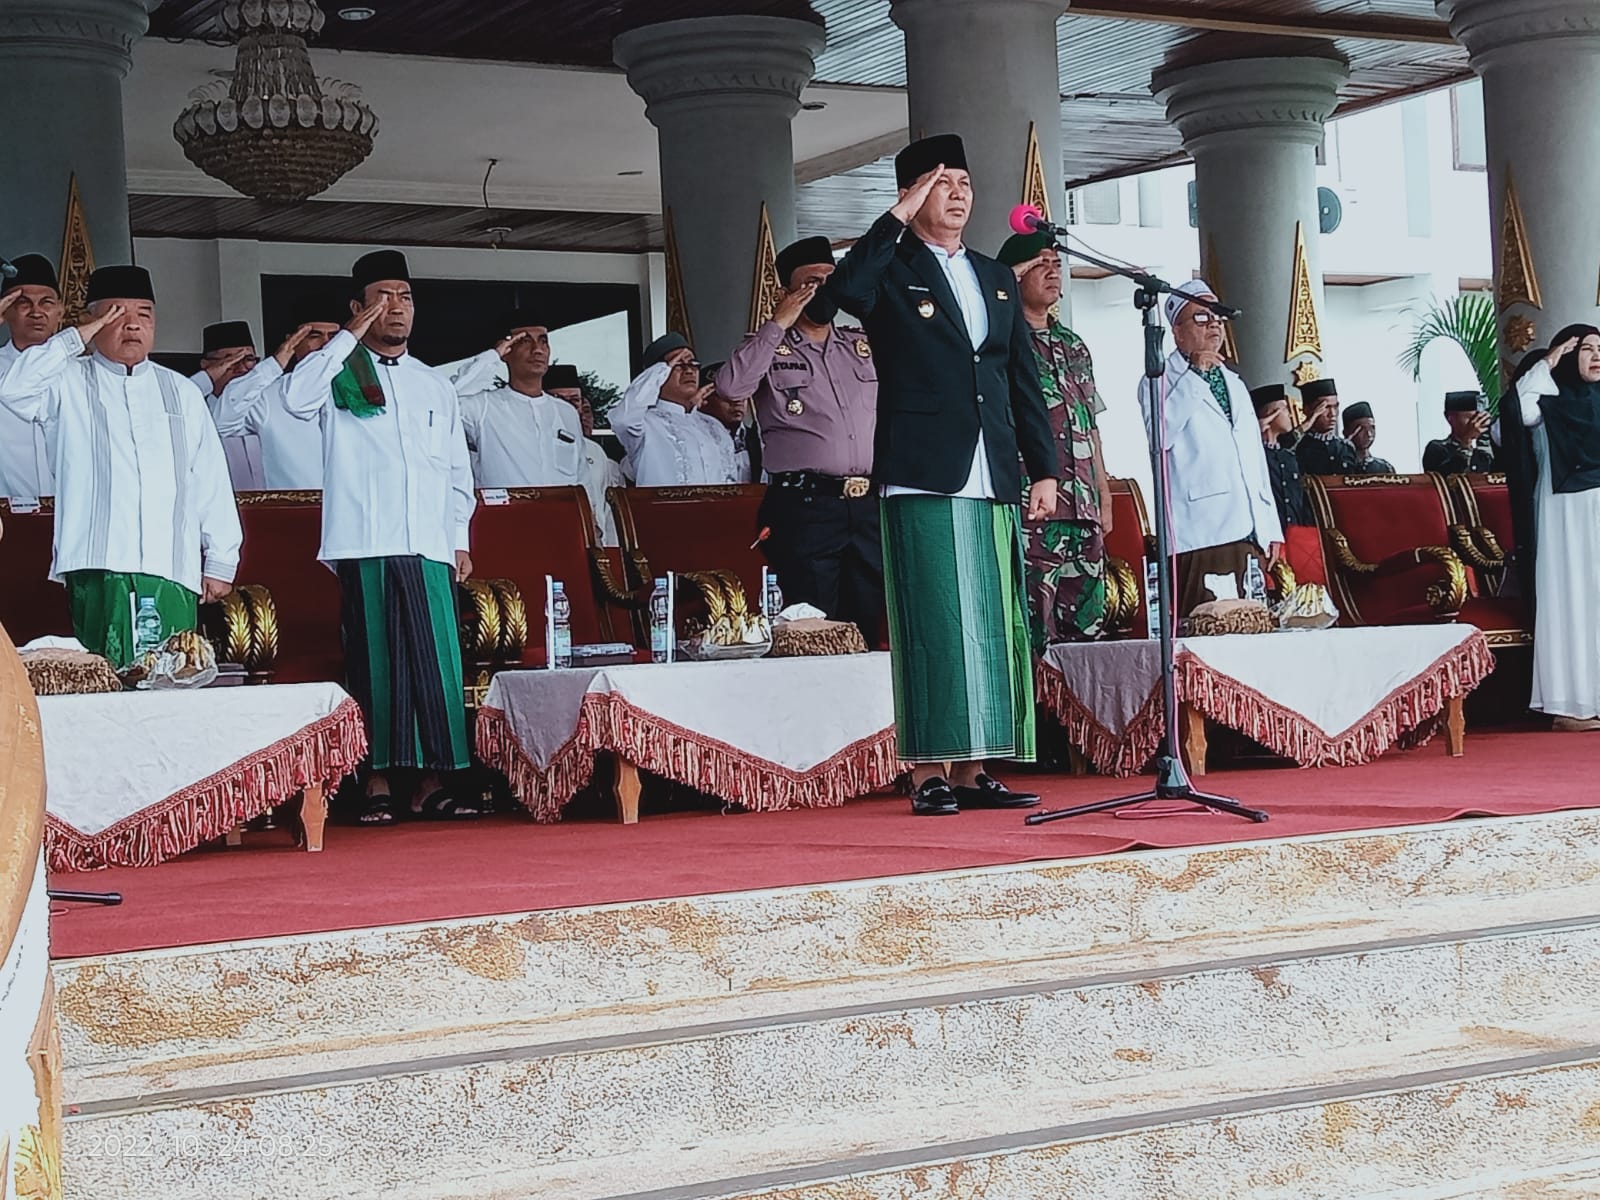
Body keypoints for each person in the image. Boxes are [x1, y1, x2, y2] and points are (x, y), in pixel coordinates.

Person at [828, 133, 1056, 817]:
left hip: (991, 468)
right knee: (933, 619)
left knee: (992, 618)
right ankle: (927, 769)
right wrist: (895, 218)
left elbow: (1022, 377)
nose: (956, 194)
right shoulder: (892, 269)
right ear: (912, 193)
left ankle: (976, 766)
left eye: (963, 182)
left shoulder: (993, 276)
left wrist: (1043, 468)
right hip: (923, 466)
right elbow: (841, 292)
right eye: (940, 183)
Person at [283, 249, 479, 823]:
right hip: (365, 542)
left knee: (434, 662)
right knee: (375, 661)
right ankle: (374, 782)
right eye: (383, 297)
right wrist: (348, 337)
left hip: (428, 544)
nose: (396, 308)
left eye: (406, 297)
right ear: (358, 307)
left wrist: (458, 537)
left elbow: (455, 472)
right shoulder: (337, 370)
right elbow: (295, 402)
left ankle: (433, 779)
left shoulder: (433, 384)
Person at [0, 265, 240, 667]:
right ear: (92, 321)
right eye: (115, 313)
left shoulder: (180, 390)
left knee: (172, 679)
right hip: (98, 563)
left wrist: (220, 558)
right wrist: (74, 340)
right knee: (106, 681)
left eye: (143, 314)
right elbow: (14, 389)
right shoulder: (66, 381)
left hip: (172, 565)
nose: (131, 325)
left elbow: (209, 477)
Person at [717, 235, 883, 640]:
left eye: (831, 279)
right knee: (810, 627)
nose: (823, 290)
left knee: (871, 626)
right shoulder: (767, 348)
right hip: (804, 508)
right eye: (811, 282)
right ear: (787, 291)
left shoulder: (861, 345)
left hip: (866, 508)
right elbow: (731, 389)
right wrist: (778, 324)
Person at [996, 229, 1114, 651]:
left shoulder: (1073, 345)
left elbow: (1090, 425)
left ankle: (1078, 717)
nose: (1052, 272)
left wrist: (1103, 490)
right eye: (1039, 264)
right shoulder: (1002, 345)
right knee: (1030, 629)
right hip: (1034, 507)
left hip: (1082, 505)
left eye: (1056, 264)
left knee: (1086, 632)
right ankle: (1035, 718)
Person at [1141, 279, 1283, 617]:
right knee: (1209, 629)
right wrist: (1195, 374)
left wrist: (1270, 527)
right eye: (1201, 318)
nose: (1214, 325)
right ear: (1176, 331)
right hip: (1202, 532)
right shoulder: (1158, 380)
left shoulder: (1234, 381)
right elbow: (1160, 437)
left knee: (1250, 629)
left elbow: (1254, 459)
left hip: (1248, 529)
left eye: (1217, 317)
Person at [1507, 327, 1600, 730]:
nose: (1597, 355)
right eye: (1587, 348)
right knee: (1573, 602)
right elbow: (1517, 405)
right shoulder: (1547, 402)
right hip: (1566, 513)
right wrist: (1547, 361)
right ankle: (1570, 706)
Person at [449, 313, 585, 489]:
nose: (538, 349)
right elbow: (447, 400)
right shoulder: (483, 407)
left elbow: (583, 478)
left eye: (543, 341)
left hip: (564, 514)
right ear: (507, 349)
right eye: (525, 341)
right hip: (506, 515)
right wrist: (492, 357)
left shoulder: (566, 412)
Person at [213, 313, 343, 490]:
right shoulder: (270, 394)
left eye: (335, 338)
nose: (326, 345)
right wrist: (273, 365)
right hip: (292, 511)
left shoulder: (371, 388)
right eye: (314, 336)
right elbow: (222, 424)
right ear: (293, 341)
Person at [612, 340, 737, 487]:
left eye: (692, 363)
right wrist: (661, 370)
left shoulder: (714, 426)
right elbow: (622, 420)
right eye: (678, 364)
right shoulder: (646, 424)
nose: (689, 370)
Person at [0, 254, 61, 503]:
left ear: (61, 310)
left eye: (46, 303)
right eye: (24, 304)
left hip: (75, 519)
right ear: (6, 311)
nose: (37, 312)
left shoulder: (82, 371)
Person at [545, 363, 622, 546]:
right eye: (560, 399)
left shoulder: (594, 450)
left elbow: (608, 508)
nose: (569, 407)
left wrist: (613, 551)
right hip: (551, 540)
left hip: (595, 547)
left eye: (575, 400)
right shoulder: (532, 445)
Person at [191, 320, 265, 491]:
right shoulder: (195, 412)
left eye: (248, 359)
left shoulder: (267, 408)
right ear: (206, 366)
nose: (241, 368)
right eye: (230, 360)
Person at [1252, 383, 1314, 529]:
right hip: (1268, 534)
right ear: (1271, 414)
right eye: (1285, 409)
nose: (1290, 414)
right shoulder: (1255, 456)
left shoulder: (1288, 456)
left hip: (1295, 535)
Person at [699, 362, 760, 483]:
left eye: (743, 393)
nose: (738, 401)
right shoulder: (695, 440)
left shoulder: (758, 439)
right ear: (704, 400)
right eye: (727, 396)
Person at [1295, 377, 1360, 476]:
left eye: (1335, 407)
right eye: (1325, 407)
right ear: (1307, 409)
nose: (1332, 414)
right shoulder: (1299, 448)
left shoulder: (1346, 448)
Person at [1422, 391, 1496, 474]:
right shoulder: (1437, 448)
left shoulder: (1483, 450)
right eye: (1471, 419)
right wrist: (1466, 441)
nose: (1475, 424)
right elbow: (1447, 477)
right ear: (1450, 418)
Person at [1342, 401, 1395, 473]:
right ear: (1346, 432)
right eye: (1361, 429)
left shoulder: (1385, 467)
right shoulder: (1340, 466)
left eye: (1372, 428)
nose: (1369, 434)